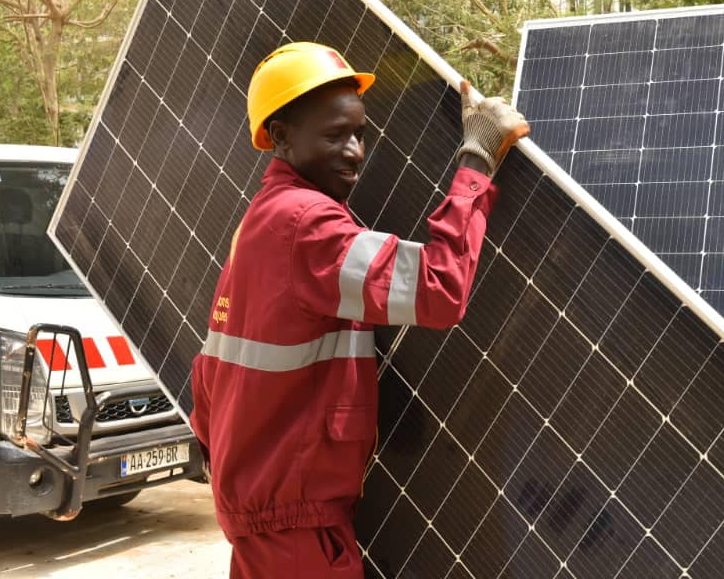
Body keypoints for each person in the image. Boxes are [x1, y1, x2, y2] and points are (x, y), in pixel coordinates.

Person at [188, 41, 529, 578]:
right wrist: (476, 160)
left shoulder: (262, 221)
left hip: (270, 516)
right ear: (279, 137)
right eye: (333, 135)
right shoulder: (307, 226)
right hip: (296, 528)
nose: (354, 151)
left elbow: (208, 382)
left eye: (359, 133)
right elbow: (439, 288)